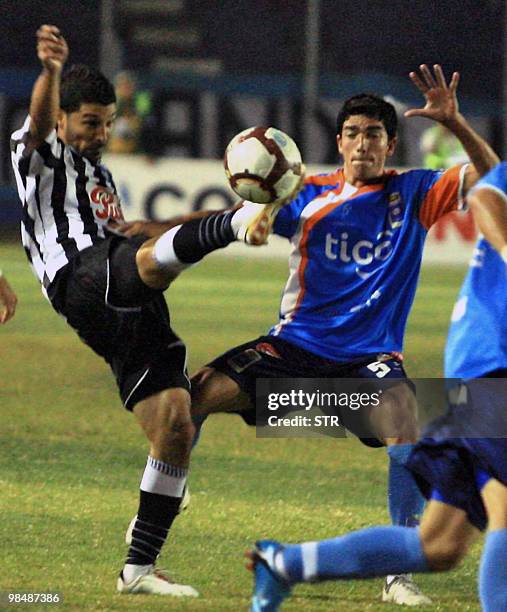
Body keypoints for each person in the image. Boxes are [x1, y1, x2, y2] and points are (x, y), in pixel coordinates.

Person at [117, 64, 499, 605]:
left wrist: (456, 123)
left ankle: (399, 575)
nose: (361, 143)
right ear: (339, 142)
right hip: (293, 348)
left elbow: (491, 178)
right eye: (352, 133)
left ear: (391, 144)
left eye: (373, 134)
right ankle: (144, 550)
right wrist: (163, 230)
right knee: (193, 398)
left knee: (404, 426)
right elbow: (230, 217)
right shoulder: (305, 193)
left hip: (370, 359)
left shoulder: (414, 191)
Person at [9, 24, 260, 598]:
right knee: (141, 264)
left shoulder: (98, 175)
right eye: (89, 123)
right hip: (82, 279)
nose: (99, 133)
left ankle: (138, 568)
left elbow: (134, 240)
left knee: (174, 423)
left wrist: (150, 231)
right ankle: (234, 224)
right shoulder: (40, 156)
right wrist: (49, 74)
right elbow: (40, 123)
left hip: (123, 297)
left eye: (105, 122)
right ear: (66, 120)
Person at [247, 160, 507, 612]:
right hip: (490, 373)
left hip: (463, 378)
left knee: (439, 544)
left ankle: (286, 563)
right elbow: (487, 193)